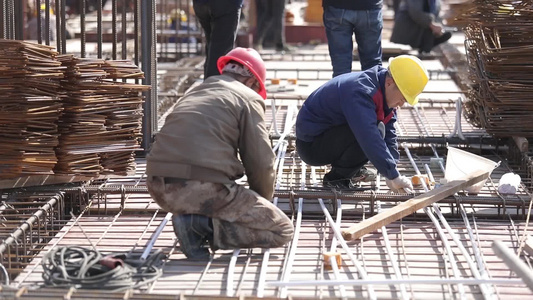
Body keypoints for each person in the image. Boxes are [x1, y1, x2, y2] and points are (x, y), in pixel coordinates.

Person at [146, 48, 294, 259]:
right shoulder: (249, 98)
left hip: (157, 186)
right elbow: (262, 163)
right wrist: (260, 202)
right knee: (281, 230)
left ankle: (195, 222)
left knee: (215, 193)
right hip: (200, 187)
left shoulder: (197, 90)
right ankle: (200, 227)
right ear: (252, 82)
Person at [295, 55, 429, 192]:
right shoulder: (361, 92)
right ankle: (336, 179)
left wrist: (393, 170)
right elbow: (368, 136)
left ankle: (352, 170)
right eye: (403, 98)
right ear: (389, 83)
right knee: (372, 132)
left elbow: (389, 133)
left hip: (330, 136)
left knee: (379, 130)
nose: (401, 104)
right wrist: (392, 175)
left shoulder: (381, 87)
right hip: (312, 146)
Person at [322, 0, 383, 77]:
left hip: (336, 7)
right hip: (369, 6)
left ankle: (342, 88)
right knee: (372, 65)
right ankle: (373, 88)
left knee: (341, 65)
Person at [193, 0, 243, 78]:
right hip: (226, 4)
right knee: (220, 53)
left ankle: (208, 82)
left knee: (212, 48)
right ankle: (212, 85)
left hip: (201, 4)